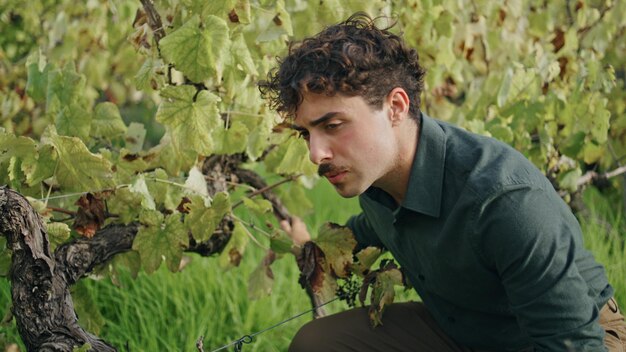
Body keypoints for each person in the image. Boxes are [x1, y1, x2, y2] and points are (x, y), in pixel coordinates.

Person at [258, 12, 626, 352]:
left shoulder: (505, 203)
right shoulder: (376, 184)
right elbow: (364, 232)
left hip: (571, 338)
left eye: (332, 126)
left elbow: (574, 342)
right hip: (465, 329)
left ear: (396, 108)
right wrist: (312, 247)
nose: (315, 153)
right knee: (320, 343)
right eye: (306, 134)